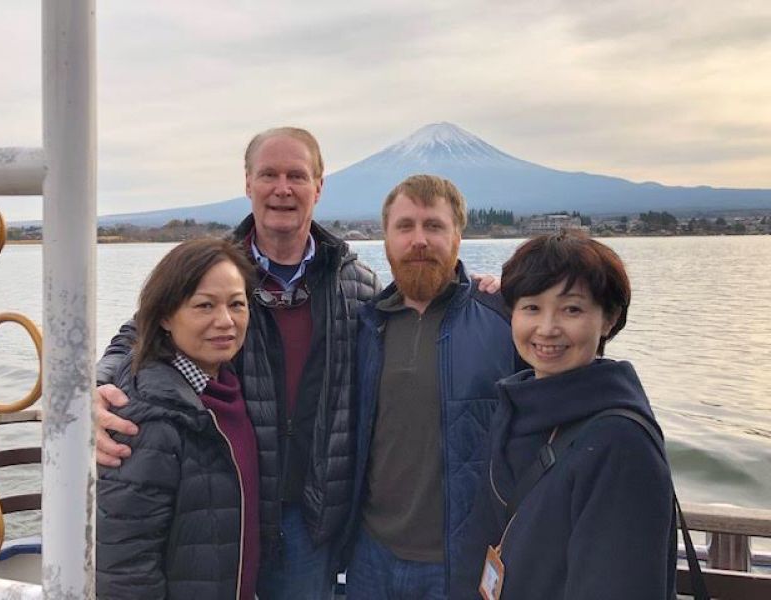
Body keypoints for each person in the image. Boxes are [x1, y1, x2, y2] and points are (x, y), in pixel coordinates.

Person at [95, 127, 381, 598]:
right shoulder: (213, 269)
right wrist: (98, 387)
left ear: (319, 186)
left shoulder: (357, 284)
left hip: (311, 518)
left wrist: (480, 290)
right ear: (247, 183)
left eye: (297, 175)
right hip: (224, 500)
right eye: (268, 174)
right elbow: (139, 333)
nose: (282, 188)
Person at [452, 229, 677, 599]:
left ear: (608, 319)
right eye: (531, 307)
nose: (547, 328)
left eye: (571, 309)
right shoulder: (516, 410)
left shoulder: (620, 443)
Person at [343, 175, 520, 599]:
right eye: (405, 226)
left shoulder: (505, 320)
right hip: (370, 556)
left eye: (434, 226)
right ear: (385, 238)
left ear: (458, 235)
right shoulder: (364, 325)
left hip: (463, 562)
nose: (419, 240)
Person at [96, 238, 260, 599]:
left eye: (237, 304)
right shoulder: (147, 416)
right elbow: (126, 567)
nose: (225, 321)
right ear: (166, 316)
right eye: (204, 306)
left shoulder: (227, 389)